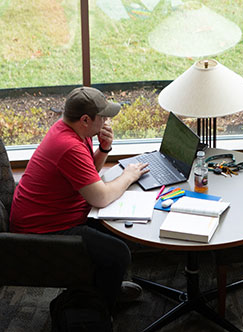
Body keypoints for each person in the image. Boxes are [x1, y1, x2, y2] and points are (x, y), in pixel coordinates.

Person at [9, 86, 149, 311]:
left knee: (120, 228)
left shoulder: (69, 130)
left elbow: (87, 174)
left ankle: (103, 288)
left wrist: (104, 149)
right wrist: (128, 176)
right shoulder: (69, 146)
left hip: (57, 213)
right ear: (85, 119)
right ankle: (99, 310)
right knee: (118, 254)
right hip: (44, 231)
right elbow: (100, 198)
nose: (106, 121)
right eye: (102, 117)